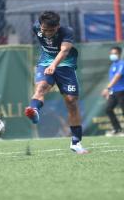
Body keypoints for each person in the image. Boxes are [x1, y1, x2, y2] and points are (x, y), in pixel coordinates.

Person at [25, 11, 88, 154]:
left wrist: (54, 65)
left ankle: (76, 143)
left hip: (65, 66)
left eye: (51, 30)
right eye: (44, 30)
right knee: (41, 87)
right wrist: (49, 65)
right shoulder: (36, 27)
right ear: (40, 26)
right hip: (45, 64)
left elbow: (64, 51)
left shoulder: (67, 32)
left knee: (71, 102)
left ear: (58, 26)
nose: (47, 33)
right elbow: (43, 38)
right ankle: (34, 110)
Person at [101, 47, 124, 137]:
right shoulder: (113, 65)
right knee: (108, 109)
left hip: (122, 91)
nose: (113, 55)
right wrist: (109, 91)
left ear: (119, 54)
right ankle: (117, 129)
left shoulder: (122, 64)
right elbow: (112, 79)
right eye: (111, 53)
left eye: (115, 53)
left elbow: (117, 77)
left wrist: (107, 88)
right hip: (114, 92)